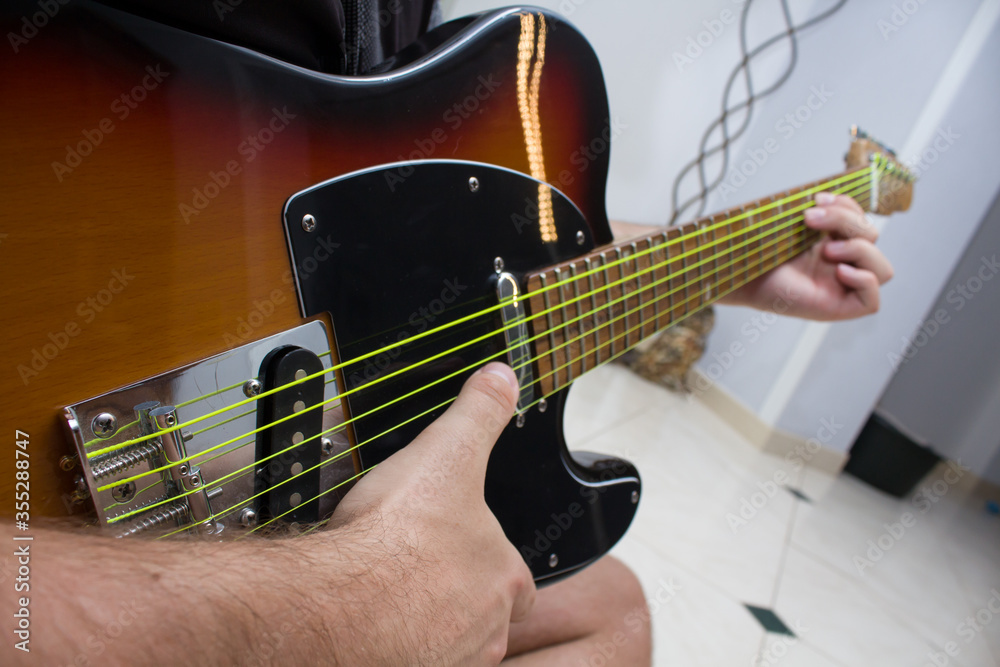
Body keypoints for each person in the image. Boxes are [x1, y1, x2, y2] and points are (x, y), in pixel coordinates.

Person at [1, 2, 894, 664]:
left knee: (610, 612)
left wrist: (723, 265)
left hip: (281, 473)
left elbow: (422, 232)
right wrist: (337, 607)